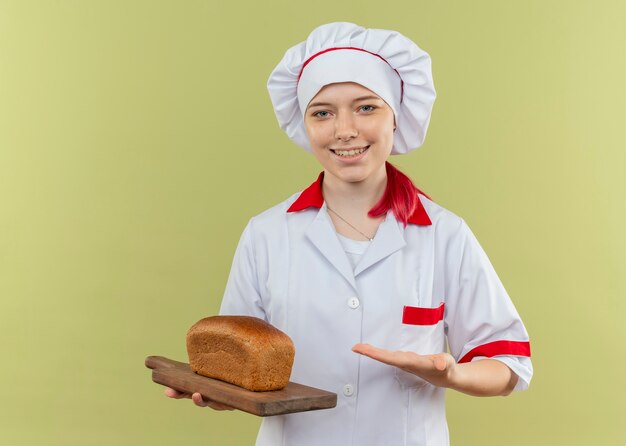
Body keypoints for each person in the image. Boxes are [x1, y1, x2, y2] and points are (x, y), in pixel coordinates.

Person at [165, 22, 533, 445]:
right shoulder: (266, 234)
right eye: (322, 112)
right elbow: (238, 362)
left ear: (396, 116)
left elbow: (509, 365)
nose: (344, 129)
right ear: (304, 124)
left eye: (366, 107)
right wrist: (219, 393)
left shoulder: (444, 235)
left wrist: (451, 372)